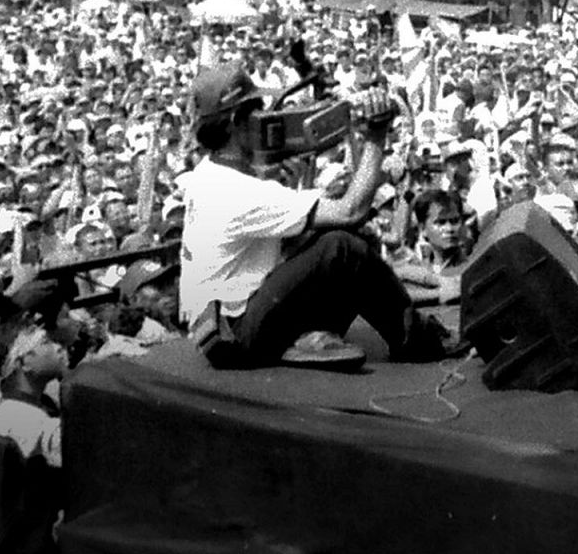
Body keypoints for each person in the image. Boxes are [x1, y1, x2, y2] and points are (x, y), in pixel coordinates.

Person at [178, 62, 458, 370]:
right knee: (341, 246)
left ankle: (307, 337)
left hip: (223, 327)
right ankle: (418, 342)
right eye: (256, 110)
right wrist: (376, 138)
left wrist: (299, 181)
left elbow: (291, 243)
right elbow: (349, 211)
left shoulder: (208, 174)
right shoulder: (234, 189)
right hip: (236, 334)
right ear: (235, 121)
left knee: (341, 242)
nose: (265, 118)